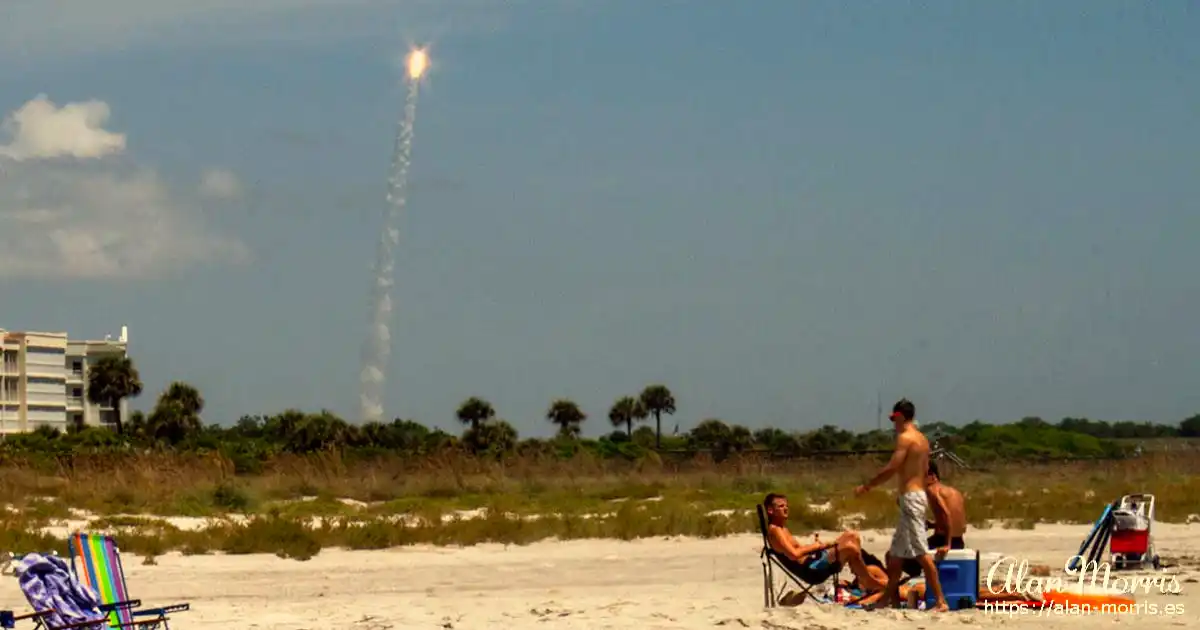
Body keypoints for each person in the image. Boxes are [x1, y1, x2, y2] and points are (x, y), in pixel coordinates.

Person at [854, 399, 948, 612]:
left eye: (895, 418)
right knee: (895, 556)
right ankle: (889, 599)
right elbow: (923, 472)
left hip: (913, 498)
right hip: (913, 497)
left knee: (921, 553)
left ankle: (941, 601)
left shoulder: (905, 438)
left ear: (903, 416)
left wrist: (867, 486)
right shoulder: (923, 439)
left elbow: (892, 467)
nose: (893, 423)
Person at [763, 493, 888, 605]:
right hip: (812, 570)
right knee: (850, 548)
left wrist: (816, 547)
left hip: (814, 561)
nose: (785, 509)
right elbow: (794, 555)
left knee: (852, 536)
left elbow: (798, 550)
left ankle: (860, 577)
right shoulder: (775, 531)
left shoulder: (782, 528)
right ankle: (867, 580)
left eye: (786, 506)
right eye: (780, 506)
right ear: (770, 510)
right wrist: (818, 546)